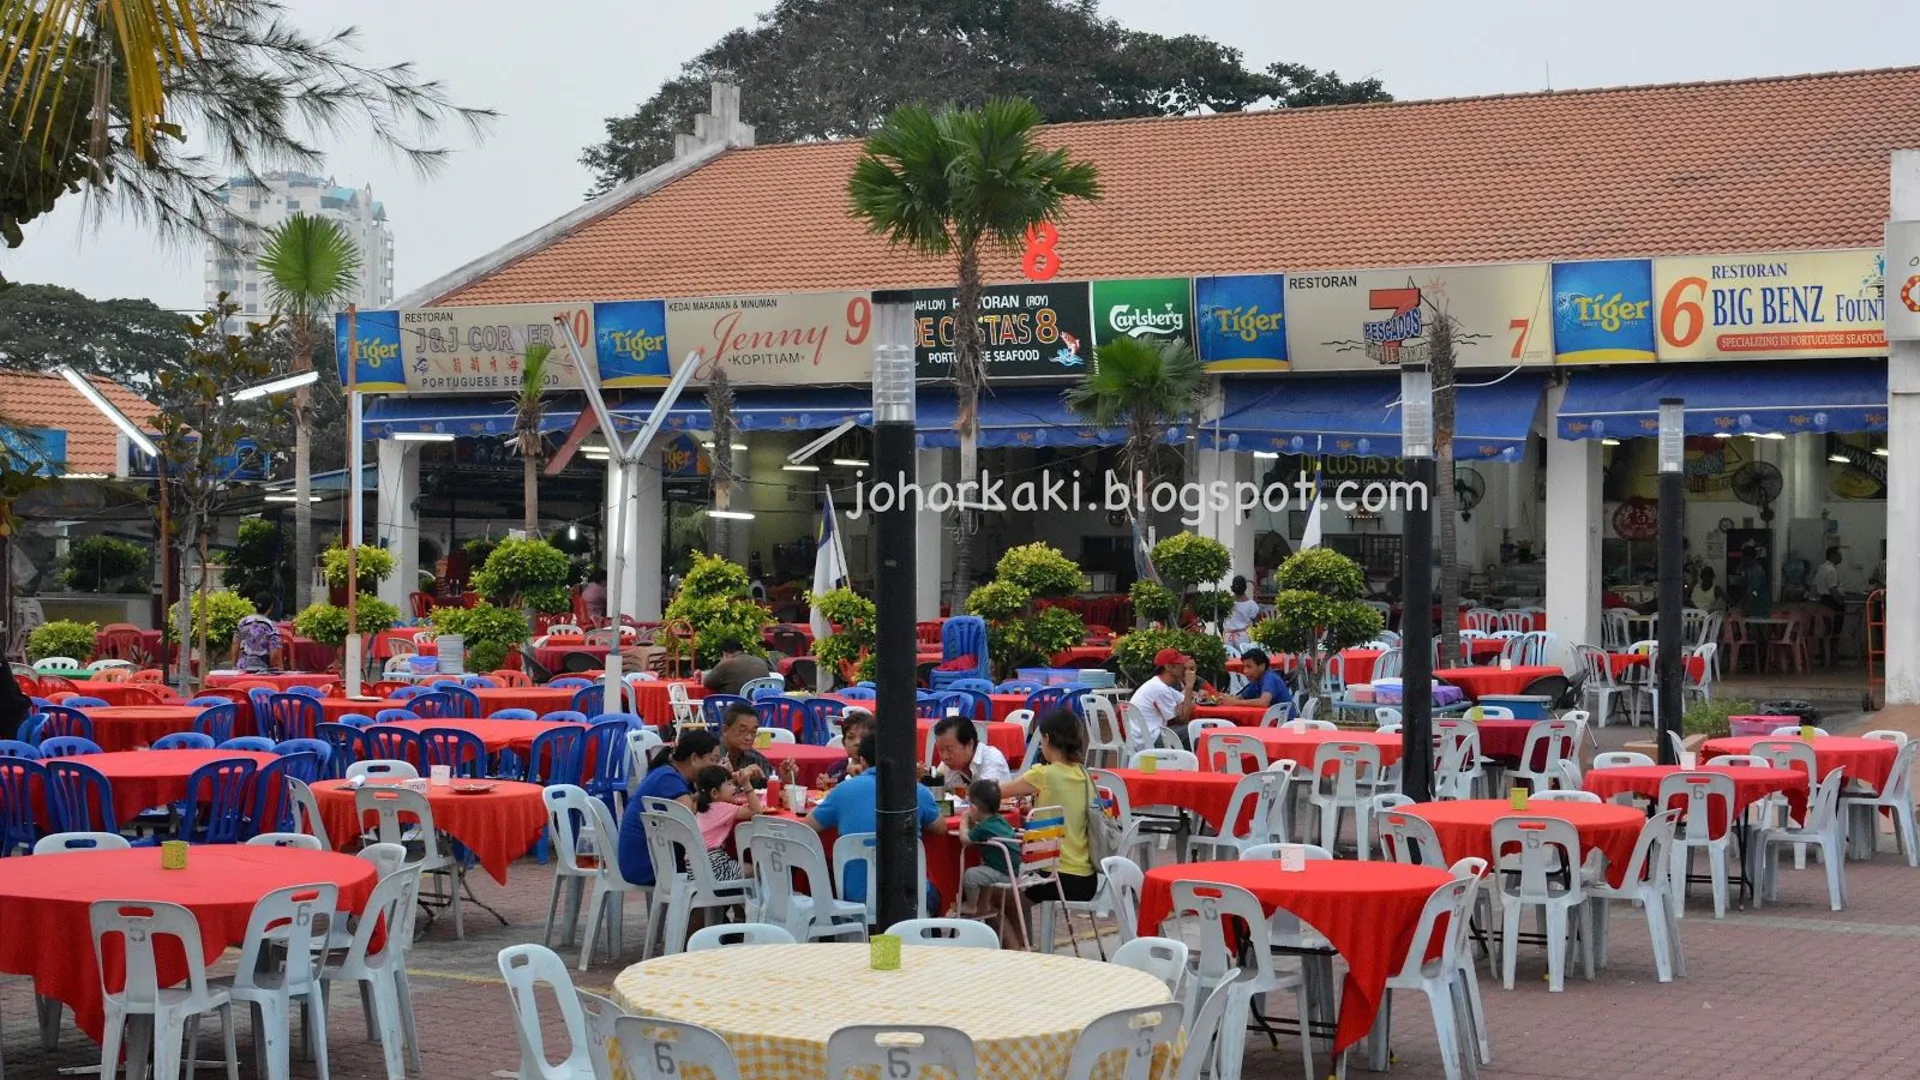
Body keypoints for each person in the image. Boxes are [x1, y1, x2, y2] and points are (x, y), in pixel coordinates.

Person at [807, 732, 945, 907]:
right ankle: (921, 931)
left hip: (855, 899)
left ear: (862, 760)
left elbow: (808, 827)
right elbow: (940, 828)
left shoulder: (842, 790)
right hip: (910, 897)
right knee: (934, 894)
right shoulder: (916, 790)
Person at [998, 710, 1099, 906]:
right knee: (1015, 901)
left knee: (997, 900)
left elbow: (996, 793)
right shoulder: (1084, 775)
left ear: (1047, 738)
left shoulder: (1043, 774)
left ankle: (1016, 939)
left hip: (1054, 875)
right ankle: (1021, 937)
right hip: (1087, 878)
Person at [616, 730, 722, 887]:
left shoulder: (667, 772)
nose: (717, 767)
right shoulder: (668, 779)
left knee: (720, 863)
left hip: (647, 858)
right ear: (694, 758)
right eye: (713, 760)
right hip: (647, 865)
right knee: (725, 867)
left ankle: (705, 911)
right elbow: (691, 820)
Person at [955, 778, 1017, 912]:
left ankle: (971, 905)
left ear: (973, 808)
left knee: (971, 875)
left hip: (1005, 872)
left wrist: (964, 819)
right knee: (984, 867)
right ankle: (984, 904)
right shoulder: (999, 820)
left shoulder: (984, 827)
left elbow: (965, 839)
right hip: (1015, 867)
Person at [692, 764, 761, 881]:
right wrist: (746, 784)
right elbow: (756, 810)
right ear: (714, 793)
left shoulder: (702, 806)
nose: (734, 787)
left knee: (741, 863)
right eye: (729, 784)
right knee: (758, 868)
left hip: (695, 868)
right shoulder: (722, 808)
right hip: (715, 867)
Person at [1126, 647, 1197, 749]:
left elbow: (1186, 700)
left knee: (1194, 729)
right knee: (1195, 729)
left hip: (1147, 736)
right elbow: (1183, 719)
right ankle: (1188, 763)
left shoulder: (1159, 683)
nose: (1184, 667)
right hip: (1149, 740)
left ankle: (1185, 763)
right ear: (1168, 667)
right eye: (1180, 664)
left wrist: (1186, 702)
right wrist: (1189, 687)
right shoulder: (1159, 688)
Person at [719, 702, 794, 790]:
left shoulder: (755, 758)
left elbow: (772, 789)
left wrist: (785, 780)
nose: (749, 737)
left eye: (753, 732)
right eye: (742, 731)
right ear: (725, 730)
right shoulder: (710, 757)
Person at [928, 714, 1011, 788]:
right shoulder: (948, 764)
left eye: (950, 749)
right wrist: (923, 779)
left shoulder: (992, 758)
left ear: (969, 744)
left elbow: (985, 796)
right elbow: (935, 791)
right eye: (940, 750)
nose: (945, 757)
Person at [702, 637, 773, 696]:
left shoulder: (727, 664)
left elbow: (707, 683)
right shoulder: (759, 661)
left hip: (735, 709)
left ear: (724, 654)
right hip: (761, 707)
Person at [825, 708, 875, 784]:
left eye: (864, 737)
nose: (857, 742)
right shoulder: (837, 768)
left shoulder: (877, 771)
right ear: (843, 743)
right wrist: (825, 785)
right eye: (851, 737)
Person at [1221, 575, 1262, 648]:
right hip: (1243, 637)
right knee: (1243, 658)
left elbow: (1220, 620)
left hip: (1228, 636)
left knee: (1229, 658)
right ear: (1245, 588)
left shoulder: (1226, 602)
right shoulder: (1251, 604)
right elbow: (1257, 623)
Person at [1741, 544, 1773, 617]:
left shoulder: (1757, 571)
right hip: (1753, 603)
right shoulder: (1749, 569)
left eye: (1744, 557)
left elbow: (1755, 591)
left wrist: (1748, 606)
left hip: (1761, 604)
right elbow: (1749, 589)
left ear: (1748, 557)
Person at [1813, 547, 1845, 613]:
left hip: (1823, 600)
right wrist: (1841, 603)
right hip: (1831, 600)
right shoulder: (1831, 570)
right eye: (1839, 554)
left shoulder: (1822, 567)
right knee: (1835, 620)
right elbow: (1832, 589)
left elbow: (1815, 584)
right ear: (1832, 556)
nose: (1841, 557)